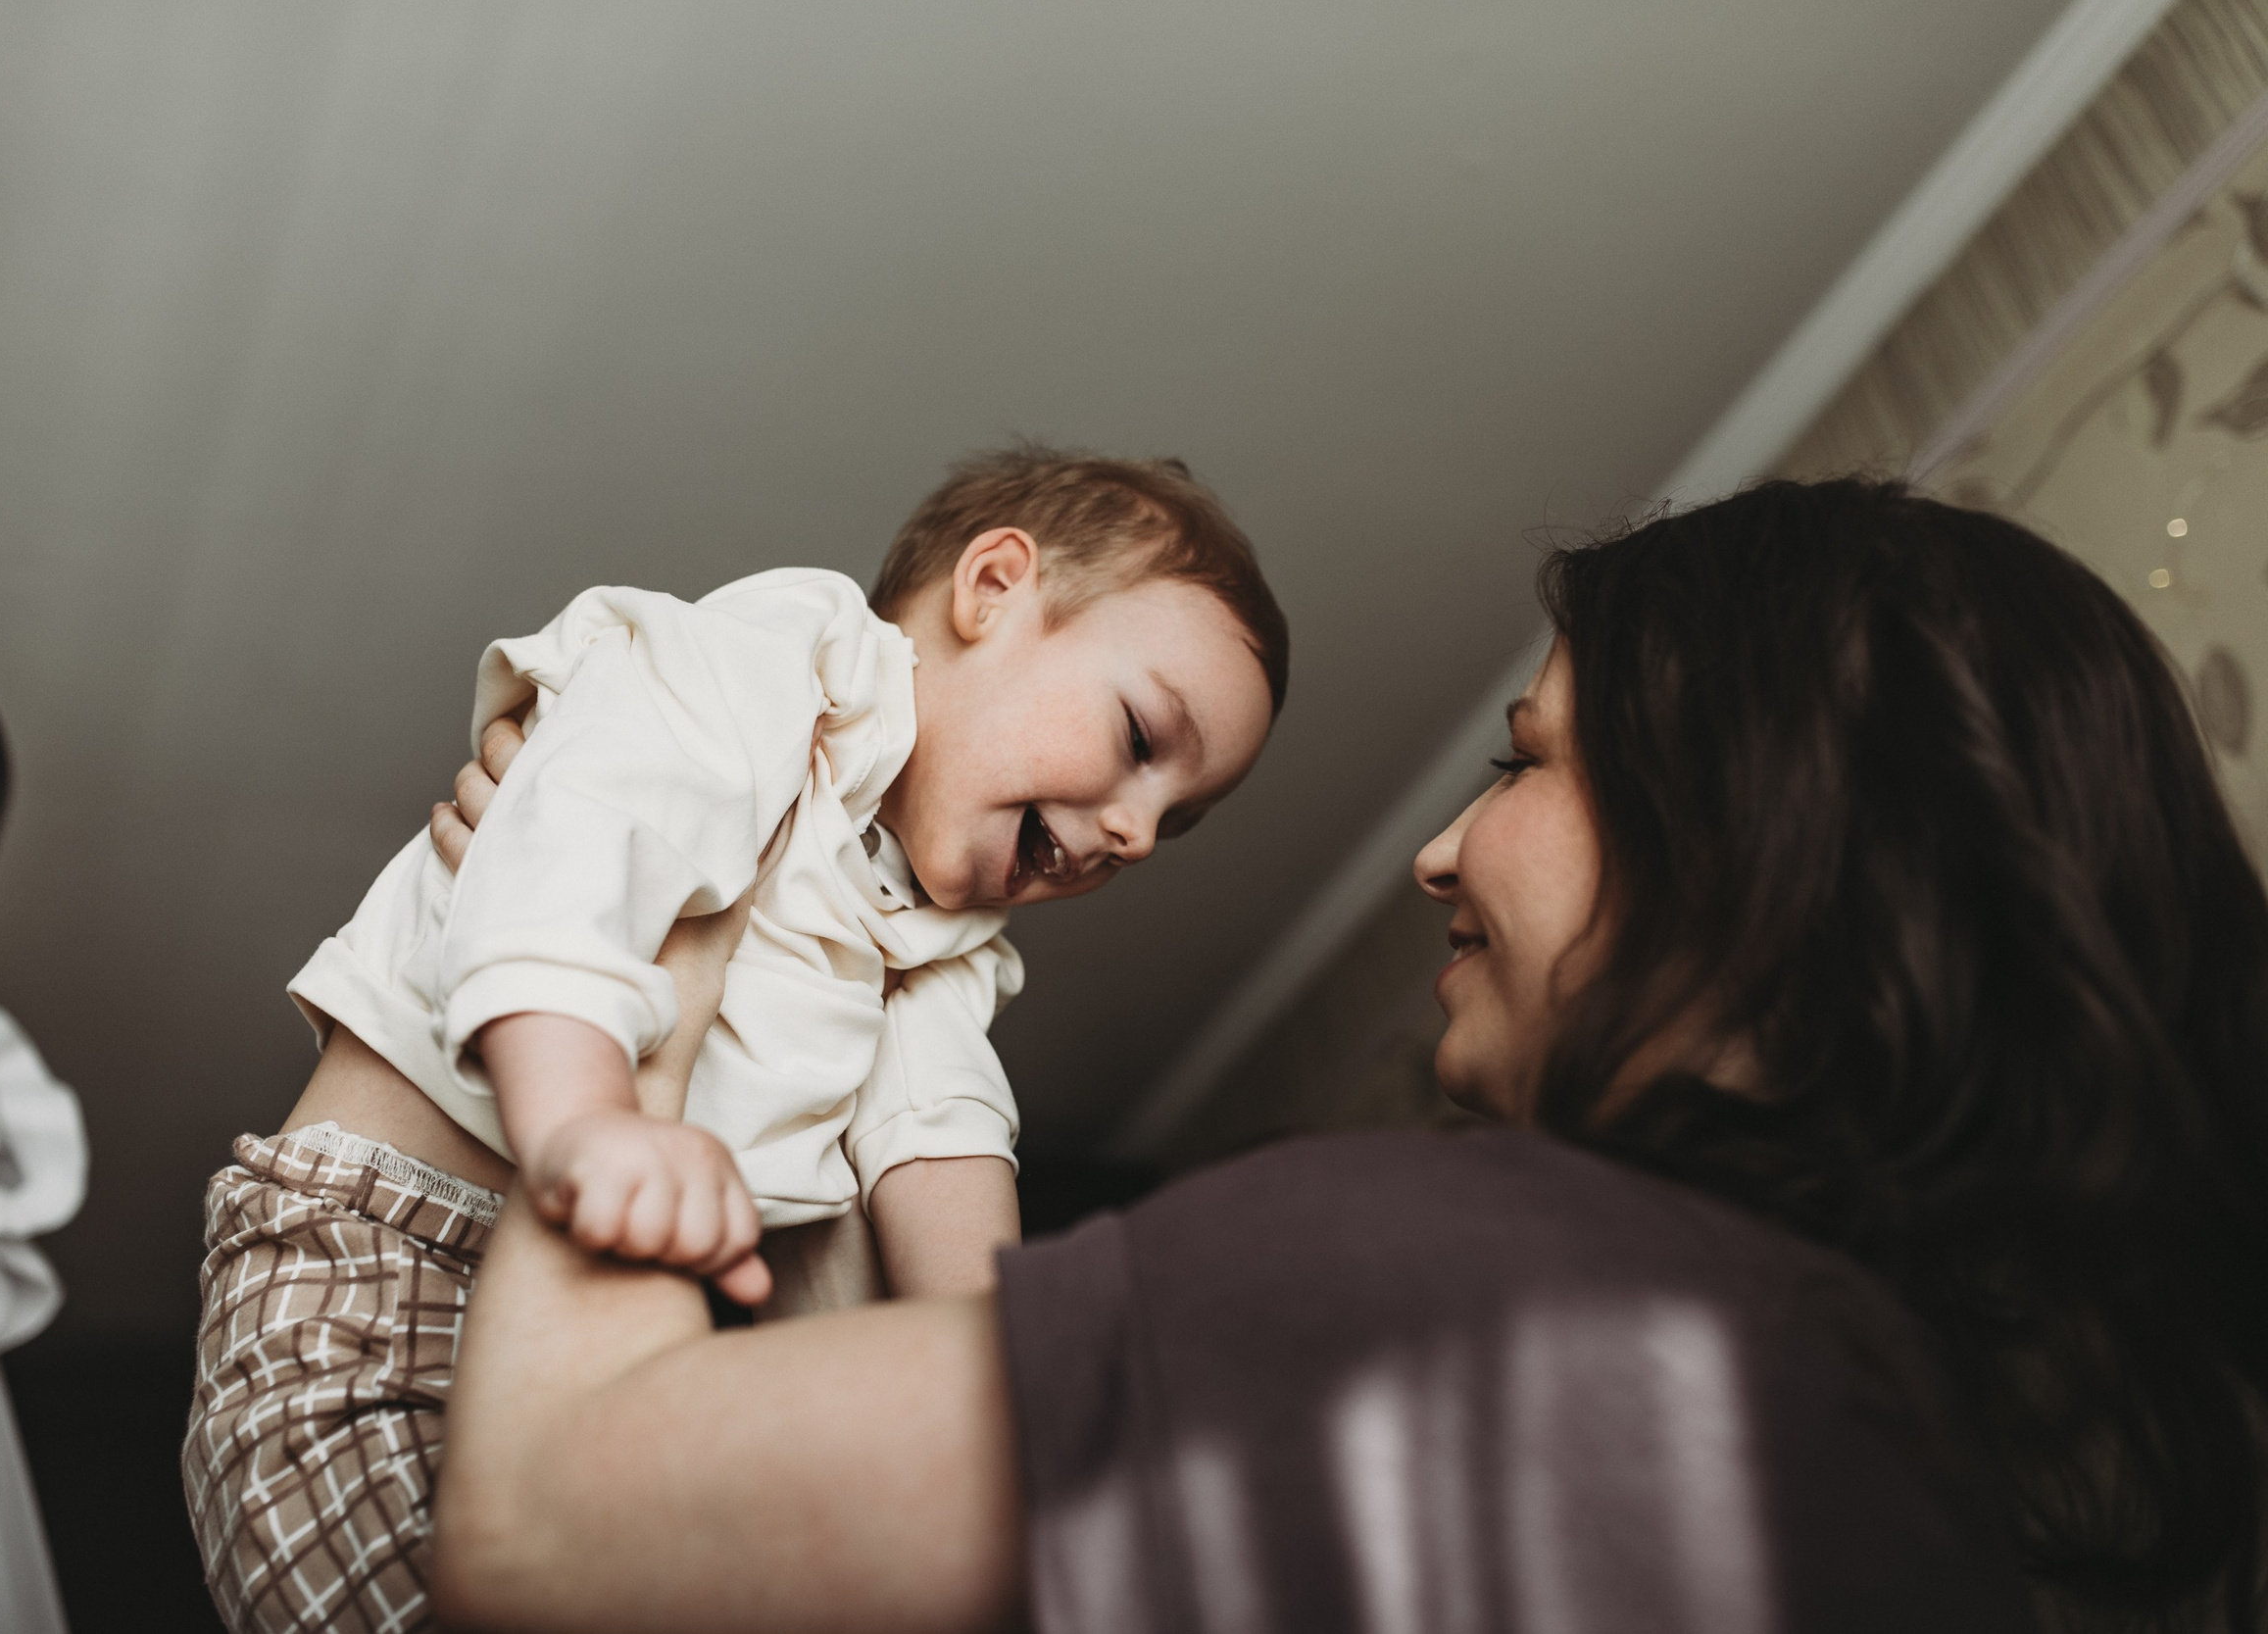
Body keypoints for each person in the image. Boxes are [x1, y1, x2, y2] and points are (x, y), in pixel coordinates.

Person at [426, 479, 2268, 1634]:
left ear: (1749, 833)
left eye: (1528, 759)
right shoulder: (1907, 1498)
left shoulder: (1503, 1292)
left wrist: (674, 920)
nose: (1441, 849)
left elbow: (544, 1524)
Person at [184, 446, 1289, 1634]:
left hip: (593, 1371)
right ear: (992, 590)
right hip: (375, 1269)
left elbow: (940, 1137)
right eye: (1137, 738)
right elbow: (586, 839)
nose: (1131, 830)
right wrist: (585, 1119)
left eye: (1171, 822)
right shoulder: (786, 669)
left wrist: (1005, 1362)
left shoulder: (941, 935)